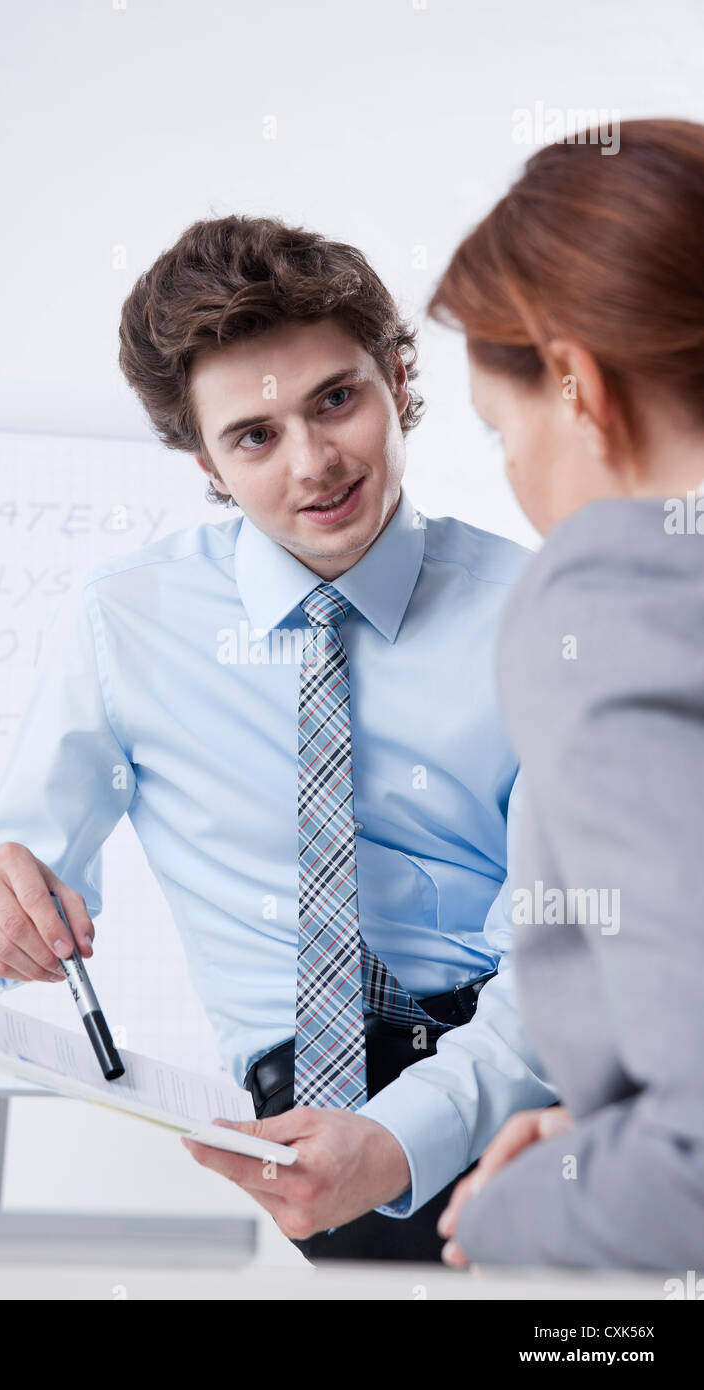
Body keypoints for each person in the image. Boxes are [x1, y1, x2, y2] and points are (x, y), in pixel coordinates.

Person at [0, 214, 555, 1262]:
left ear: (398, 380)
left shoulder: (538, 614)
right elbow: (14, 875)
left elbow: (571, 955)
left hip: (524, 1083)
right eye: (254, 436)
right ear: (202, 462)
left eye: (336, 399)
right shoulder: (126, 622)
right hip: (294, 1121)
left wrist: (402, 1138)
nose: (314, 463)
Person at [422, 118, 704, 1269]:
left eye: (499, 432)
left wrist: (510, 1218)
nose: (511, 479)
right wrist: (605, 1147)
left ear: (578, 385)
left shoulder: (605, 599)